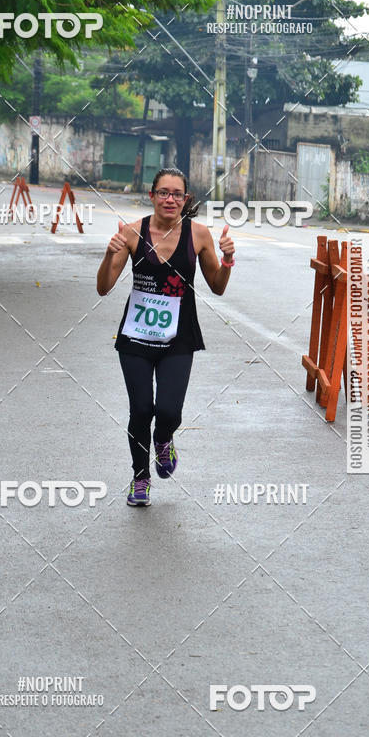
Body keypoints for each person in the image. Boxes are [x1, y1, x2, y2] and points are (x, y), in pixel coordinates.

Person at [97, 167, 235, 507]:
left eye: (177, 194)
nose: (170, 199)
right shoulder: (132, 232)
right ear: (152, 196)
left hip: (179, 338)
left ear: (185, 199)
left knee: (169, 412)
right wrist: (109, 252)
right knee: (141, 409)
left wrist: (228, 259)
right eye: (163, 192)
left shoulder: (198, 235)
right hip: (136, 336)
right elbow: (103, 287)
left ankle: (163, 440)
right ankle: (140, 478)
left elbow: (217, 287)